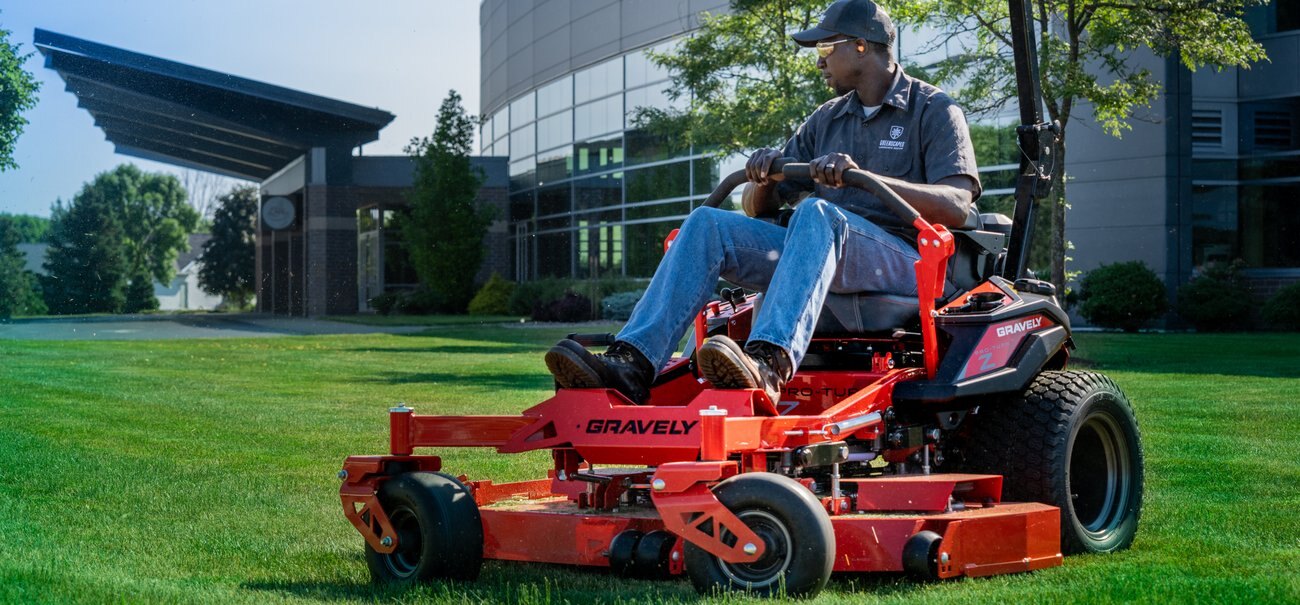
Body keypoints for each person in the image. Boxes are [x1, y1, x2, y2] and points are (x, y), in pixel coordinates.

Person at [545, 0, 981, 404]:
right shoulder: (826, 119)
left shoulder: (934, 110)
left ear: (862, 46)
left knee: (816, 212)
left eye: (826, 46)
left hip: (906, 260)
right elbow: (758, 208)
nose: (819, 59)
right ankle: (633, 363)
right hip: (820, 247)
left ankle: (768, 362)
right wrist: (766, 177)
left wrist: (864, 178)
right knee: (707, 223)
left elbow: (957, 204)